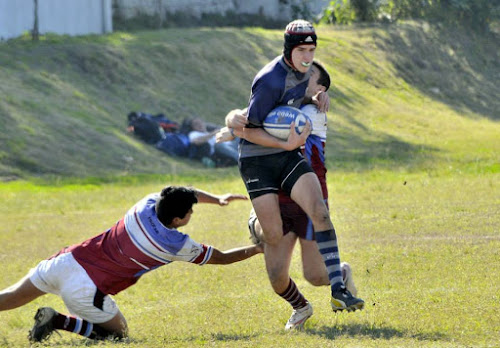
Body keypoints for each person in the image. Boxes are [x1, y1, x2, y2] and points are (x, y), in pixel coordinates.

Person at [0, 186, 263, 343]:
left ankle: (56, 319)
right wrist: (260, 248)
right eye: (190, 212)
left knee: (9, 296)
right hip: (85, 289)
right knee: (119, 335)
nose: (192, 214)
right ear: (178, 219)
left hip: (65, 261)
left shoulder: (144, 205)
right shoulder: (175, 245)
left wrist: (215, 198)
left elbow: (177, 191)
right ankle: (58, 320)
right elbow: (223, 257)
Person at [226, 19, 364, 314]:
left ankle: (339, 290)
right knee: (273, 237)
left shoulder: (302, 75)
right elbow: (246, 129)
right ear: (289, 50)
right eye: (302, 50)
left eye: (312, 50)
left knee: (320, 211)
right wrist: (232, 119)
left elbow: (290, 104)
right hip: (258, 161)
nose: (307, 57)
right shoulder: (269, 79)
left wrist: (313, 96)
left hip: (286, 156)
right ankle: (259, 223)